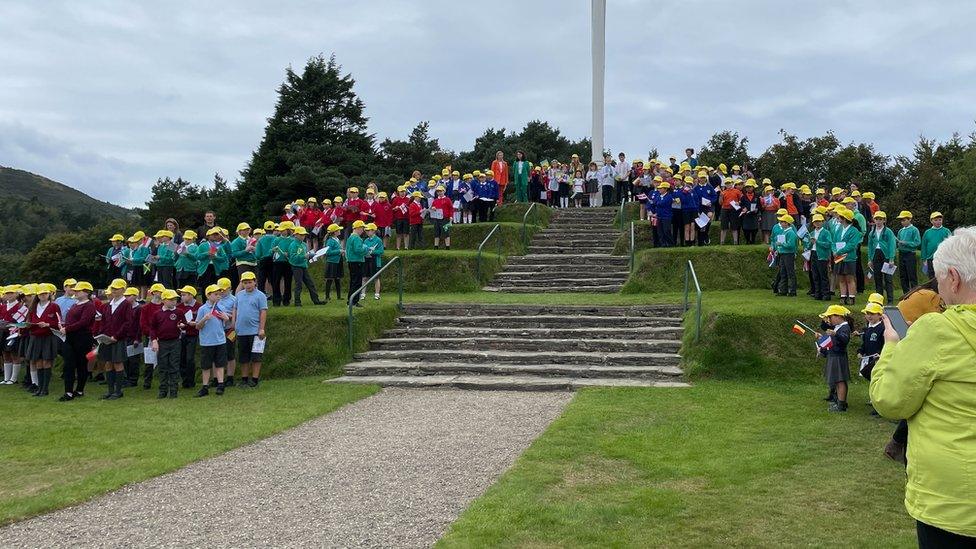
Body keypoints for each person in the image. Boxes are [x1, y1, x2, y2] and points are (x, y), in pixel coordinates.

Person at [870, 226, 976, 545]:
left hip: (953, 502)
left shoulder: (937, 329)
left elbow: (889, 400)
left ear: (954, 278)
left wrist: (891, 345)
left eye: (940, 279)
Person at [58, 281, 96, 400]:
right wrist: (64, 326)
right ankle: (68, 391)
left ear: (86, 292)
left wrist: (67, 328)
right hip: (70, 337)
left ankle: (79, 390)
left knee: (81, 364)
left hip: (83, 338)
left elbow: (84, 322)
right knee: (68, 364)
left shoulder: (89, 305)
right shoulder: (75, 304)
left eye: (78, 290)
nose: (76, 292)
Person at [98, 278, 134, 400]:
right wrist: (101, 335)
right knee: (108, 363)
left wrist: (116, 336)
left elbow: (128, 323)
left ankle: (118, 391)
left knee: (118, 363)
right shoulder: (108, 305)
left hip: (118, 339)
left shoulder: (126, 304)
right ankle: (110, 390)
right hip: (107, 339)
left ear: (123, 290)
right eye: (112, 288)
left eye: (116, 288)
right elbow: (103, 321)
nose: (113, 291)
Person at [232, 271, 267, 388]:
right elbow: (235, 310)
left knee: (256, 356)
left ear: (255, 282)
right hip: (241, 331)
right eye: (245, 283)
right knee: (243, 357)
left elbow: (263, 312)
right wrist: (234, 324)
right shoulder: (239, 295)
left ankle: (255, 379)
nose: (248, 285)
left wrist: (261, 328)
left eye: (250, 282)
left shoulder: (260, 296)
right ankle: (244, 379)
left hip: (255, 331)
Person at [26, 283, 60, 397]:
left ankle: (45, 388)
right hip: (36, 337)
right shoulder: (33, 307)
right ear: (37, 295)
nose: (43, 295)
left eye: (45, 293)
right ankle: (39, 388)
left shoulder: (54, 306)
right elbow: (29, 321)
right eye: (40, 294)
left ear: (49, 294)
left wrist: (48, 324)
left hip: (48, 337)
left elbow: (58, 323)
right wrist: (27, 325)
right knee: (38, 362)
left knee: (46, 362)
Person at [148, 289, 182, 399]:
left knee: (174, 365)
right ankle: (163, 390)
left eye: (175, 299)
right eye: (171, 300)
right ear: (164, 300)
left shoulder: (178, 312)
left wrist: (183, 326)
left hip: (175, 341)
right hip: (162, 342)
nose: (174, 302)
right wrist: (154, 341)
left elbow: (184, 323)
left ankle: (173, 390)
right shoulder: (157, 314)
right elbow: (153, 329)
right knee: (163, 366)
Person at [818, 304, 852, 412]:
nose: (829, 320)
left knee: (840, 380)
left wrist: (835, 333)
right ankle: (839, 401)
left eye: (830, 317)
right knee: (837, 381)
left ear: (838, 316)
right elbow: (831, 341)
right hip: (834, 355)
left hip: (839, 356)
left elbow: (844, 340)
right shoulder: (837, 327)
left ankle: (841, 404)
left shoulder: (844, 327)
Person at [194, 284, 227, 397]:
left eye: (219, 294)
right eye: (215, 294)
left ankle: (221, 385)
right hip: (207, 341)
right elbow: (198, 326)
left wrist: (226, 318)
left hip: (220, 340)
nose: (218, 296)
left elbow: (223, 324)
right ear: (208, 295)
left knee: (220, 364)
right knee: (206, 365)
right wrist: (204, 319)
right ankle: (205, 387)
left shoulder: (221, 307)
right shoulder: (202, 309)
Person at [856, 301, 885, 415]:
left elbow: (885, 344)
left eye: (872, 314)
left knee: (878, 382)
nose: (869, 316)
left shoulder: (882, 328)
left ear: (879, 315)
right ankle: (874, 400)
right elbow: (865, 343)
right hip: (869, 359)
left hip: (879, 359)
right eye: (867, 313)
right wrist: (860, 351)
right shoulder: (868, 328)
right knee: (870, 379)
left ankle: (879, 407)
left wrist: (881, 354)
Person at [867, 211, 897, 305]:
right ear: (874, 220)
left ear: (884, 220)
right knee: (877, 278)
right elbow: (870, 247)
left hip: (886, 256)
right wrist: (869, 259)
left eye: (880, 219)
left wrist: (891, 258)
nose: (878, 221)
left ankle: (890, 300)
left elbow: (892, 245)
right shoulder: (872, 233)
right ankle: (879, 300)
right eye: (877, 219)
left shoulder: (888, 231)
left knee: (888, 278)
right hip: (876, 255)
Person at [288, 226, 322, 307]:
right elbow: (292, 257)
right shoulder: (293, 245)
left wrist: (310, 256)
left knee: (310, 284)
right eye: (301, 235)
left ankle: (316, 301)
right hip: (296, 266)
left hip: (303, 266)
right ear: (296, 235)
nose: (303, 236)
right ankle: (297, 302)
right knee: (298, 284)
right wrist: (304, 257)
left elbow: (305, 254)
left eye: (304, 235)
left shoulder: (304, 244)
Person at [139, 283, 165, 388]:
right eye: (159, 291)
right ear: (153, 292)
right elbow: (143, 323)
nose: (160, 294)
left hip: (163, 337)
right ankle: (147, 381)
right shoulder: (146, 308)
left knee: (164, 359)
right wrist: (151, 335)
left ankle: (163, 381)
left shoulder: (165, 306)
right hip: (149, 337)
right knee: (149, 360)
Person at [834, 207, 862, 305]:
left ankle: (851, 297)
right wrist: (834, 250)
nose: (838, 218)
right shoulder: (839, 229)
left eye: (840, 217)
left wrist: (840, 251)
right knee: (841, 277)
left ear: (844, 218)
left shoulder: (854, 231)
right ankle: (843, 296)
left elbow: (852, 245)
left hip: (849, 257)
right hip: (839, 257)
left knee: (850, 278)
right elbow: (834, 241)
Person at [177, 285, 200, 389]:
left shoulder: (198, 306)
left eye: (184, 295)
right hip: (181, 335)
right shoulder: (179, 307)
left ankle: (191, 381)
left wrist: (195, 323)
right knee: (181, 358)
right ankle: (184, 380)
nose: (182, 297)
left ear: (191, 295)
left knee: (190, 358)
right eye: (181, 295)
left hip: (192, 335)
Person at [896, 210, 921, 295]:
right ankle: (906, 294)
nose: (902, 222)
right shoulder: (900, 231)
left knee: (912, 275)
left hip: (910, 254)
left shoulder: (914, 230)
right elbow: (898, 242)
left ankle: (914, 294)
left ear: (909, 219)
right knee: (903, 276)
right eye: (901, 220)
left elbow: (917, 242)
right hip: (901, 254)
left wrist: (906, 243)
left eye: (904, 220)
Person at [773, 214, 798, 296]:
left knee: (790, 273)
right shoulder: (785, 231)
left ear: (787, 223)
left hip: (788, 254)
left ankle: (792, 291)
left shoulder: (790, 233)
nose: (780, 223)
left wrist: (781, 244)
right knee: (783, 272)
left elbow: (791, 245)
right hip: (783, 254)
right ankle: (783, 290)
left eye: (782, 222)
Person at [921, 212, 950, 279]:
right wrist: (924, 259)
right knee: (931, 276)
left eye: (940, 220)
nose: (938, 222)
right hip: (930, 258)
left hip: (943, 259)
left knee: (943, 276)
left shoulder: (946, 231)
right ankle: (933, 289)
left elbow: (950, 245)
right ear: (931, 221)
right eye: (935, 220)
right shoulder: (927, 232)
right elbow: (924, 246)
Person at [270, 222, 293, 306]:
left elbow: (293, 251)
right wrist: (273, 250)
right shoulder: (276, 239)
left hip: (288, 262)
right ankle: (276, 300)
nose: (282, 232)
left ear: (287, 230)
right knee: (276, 281)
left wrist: (289, 253)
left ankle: (286, 299)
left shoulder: (292, 240)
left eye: (283, 230)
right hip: (278, 262)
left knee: (288, 282)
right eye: (281, 230)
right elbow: (270, 251)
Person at [346, 220, 367, 308]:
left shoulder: (350, 237)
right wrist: (366, 249)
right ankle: (354, 301)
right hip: (357, 261)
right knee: (357, 282)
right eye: (362, 228)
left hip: (351, 261)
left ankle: (350, 300)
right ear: (358, 228)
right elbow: (358, 250)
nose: (363, 230)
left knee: (353, 282)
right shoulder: (356, 238)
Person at [362, 223, 385, 300]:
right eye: (366, 230)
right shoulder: (365, 240)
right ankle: (363, 294)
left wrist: (372, 252)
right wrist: (366, 252)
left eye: (368, 230)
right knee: (364, 277)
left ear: (373, 231)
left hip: (375, 260)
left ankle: (377, 294)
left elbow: (381, 251)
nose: (367, 232)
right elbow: (363, 249)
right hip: (366, 260)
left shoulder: (378, 240)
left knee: (376, 278)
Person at [323, 223, 344, 302]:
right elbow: (328, 252)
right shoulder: (330, 241)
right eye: (338, 230)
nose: (339, 231)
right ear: (334, 232)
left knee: (337, 279)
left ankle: (339, 296)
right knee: (330, 279)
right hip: (332, 262)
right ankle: (327, 296)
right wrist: (339, 251)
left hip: (338, 261)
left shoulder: (337, 239)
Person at [719, 179, 744, 245]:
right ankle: (722, 242)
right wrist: (721, 196)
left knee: (734, 227)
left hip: (734, 210)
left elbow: (742, 200)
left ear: (732, 183)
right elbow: (720, 203)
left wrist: (738, 202)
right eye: (727, 183)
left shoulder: (737, 191)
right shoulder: (723, 192)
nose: (728, 184)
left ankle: (735, 242)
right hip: (724, 209)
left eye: (729, 183)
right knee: (723, 227)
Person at [651, 181, 674, 248]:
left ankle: (670, 244)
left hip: (666, 217)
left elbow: (661, 203)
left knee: (666, 231)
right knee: (660, 231)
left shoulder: (669, 197)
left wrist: (655, 203)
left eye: (661, 188)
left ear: (665, 189)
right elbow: (654, 203)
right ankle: (663, 244)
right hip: (659, 217)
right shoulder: (659, 196)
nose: (659, 189)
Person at [739, 180, 760, 245]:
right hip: (746, 216)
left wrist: (757, 209)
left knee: (754, 229)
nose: (748, 188)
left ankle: (753, 241)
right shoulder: (743, 197)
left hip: (754, 215)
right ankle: (747, 241)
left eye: (750, 187)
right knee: (746, 229)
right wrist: (743, 208)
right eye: (747, 187)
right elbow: (741, 205)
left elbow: (760, 206)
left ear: (753, 187)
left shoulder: (757, 196)